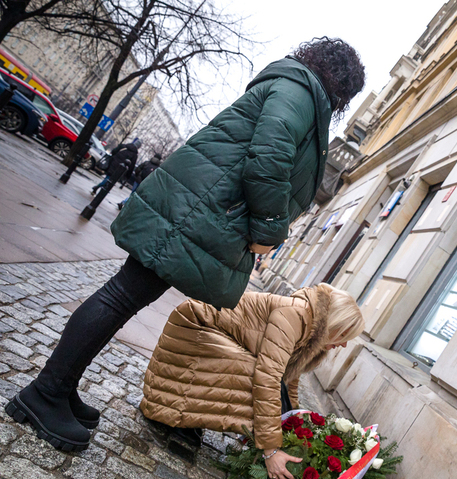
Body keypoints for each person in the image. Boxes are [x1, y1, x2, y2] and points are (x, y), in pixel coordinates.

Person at [5, 37, 366, 451]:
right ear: (339, 84)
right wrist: (268, 229)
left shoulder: (296, 88)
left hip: (197, 210)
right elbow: (269, 157)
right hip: (195, 212)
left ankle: (61, 385)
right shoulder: (301, 91)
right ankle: (44, 393)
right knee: (121, 295)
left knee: (125, 296)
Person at [140, 283, 365, 479]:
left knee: (275, 391)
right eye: (345, 335)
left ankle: (187, 416)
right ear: (335, 323)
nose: (344, 345)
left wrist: (292, 422)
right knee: (253, 376)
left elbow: (290, 378)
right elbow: (267, 377)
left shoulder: (314, 332)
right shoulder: (296, 315)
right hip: (197, 326)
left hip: (218, 336)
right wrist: (271, 450)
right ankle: (176, 415)